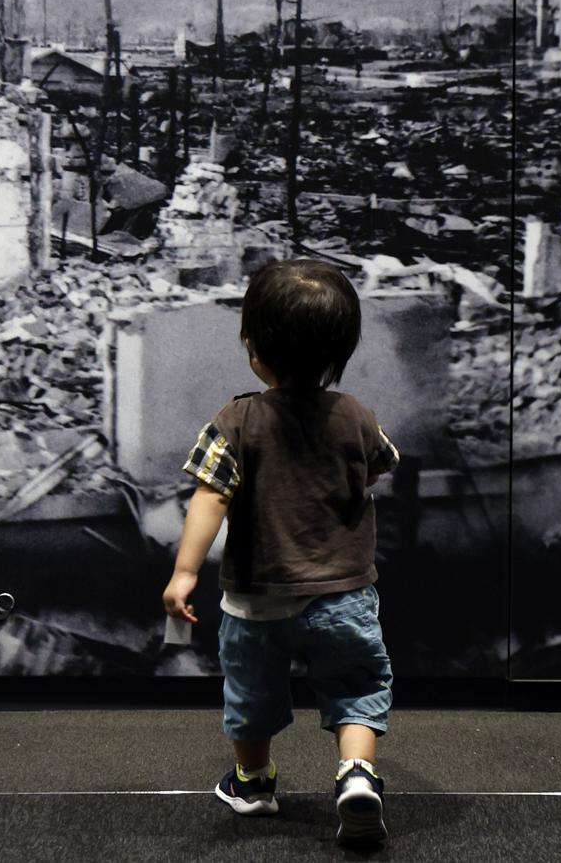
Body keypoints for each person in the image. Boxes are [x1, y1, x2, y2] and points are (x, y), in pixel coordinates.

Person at [162, 259, 401, 845]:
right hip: (343, 593)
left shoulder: (237, 420)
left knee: (252, 694)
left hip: (257, 599)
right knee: (357, 686)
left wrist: (185, 572)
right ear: (339, 353)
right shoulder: (354, 415)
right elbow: (381, 465)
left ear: (254, 349)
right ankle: (356, 774)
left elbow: (209, 496)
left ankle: (253, 783)